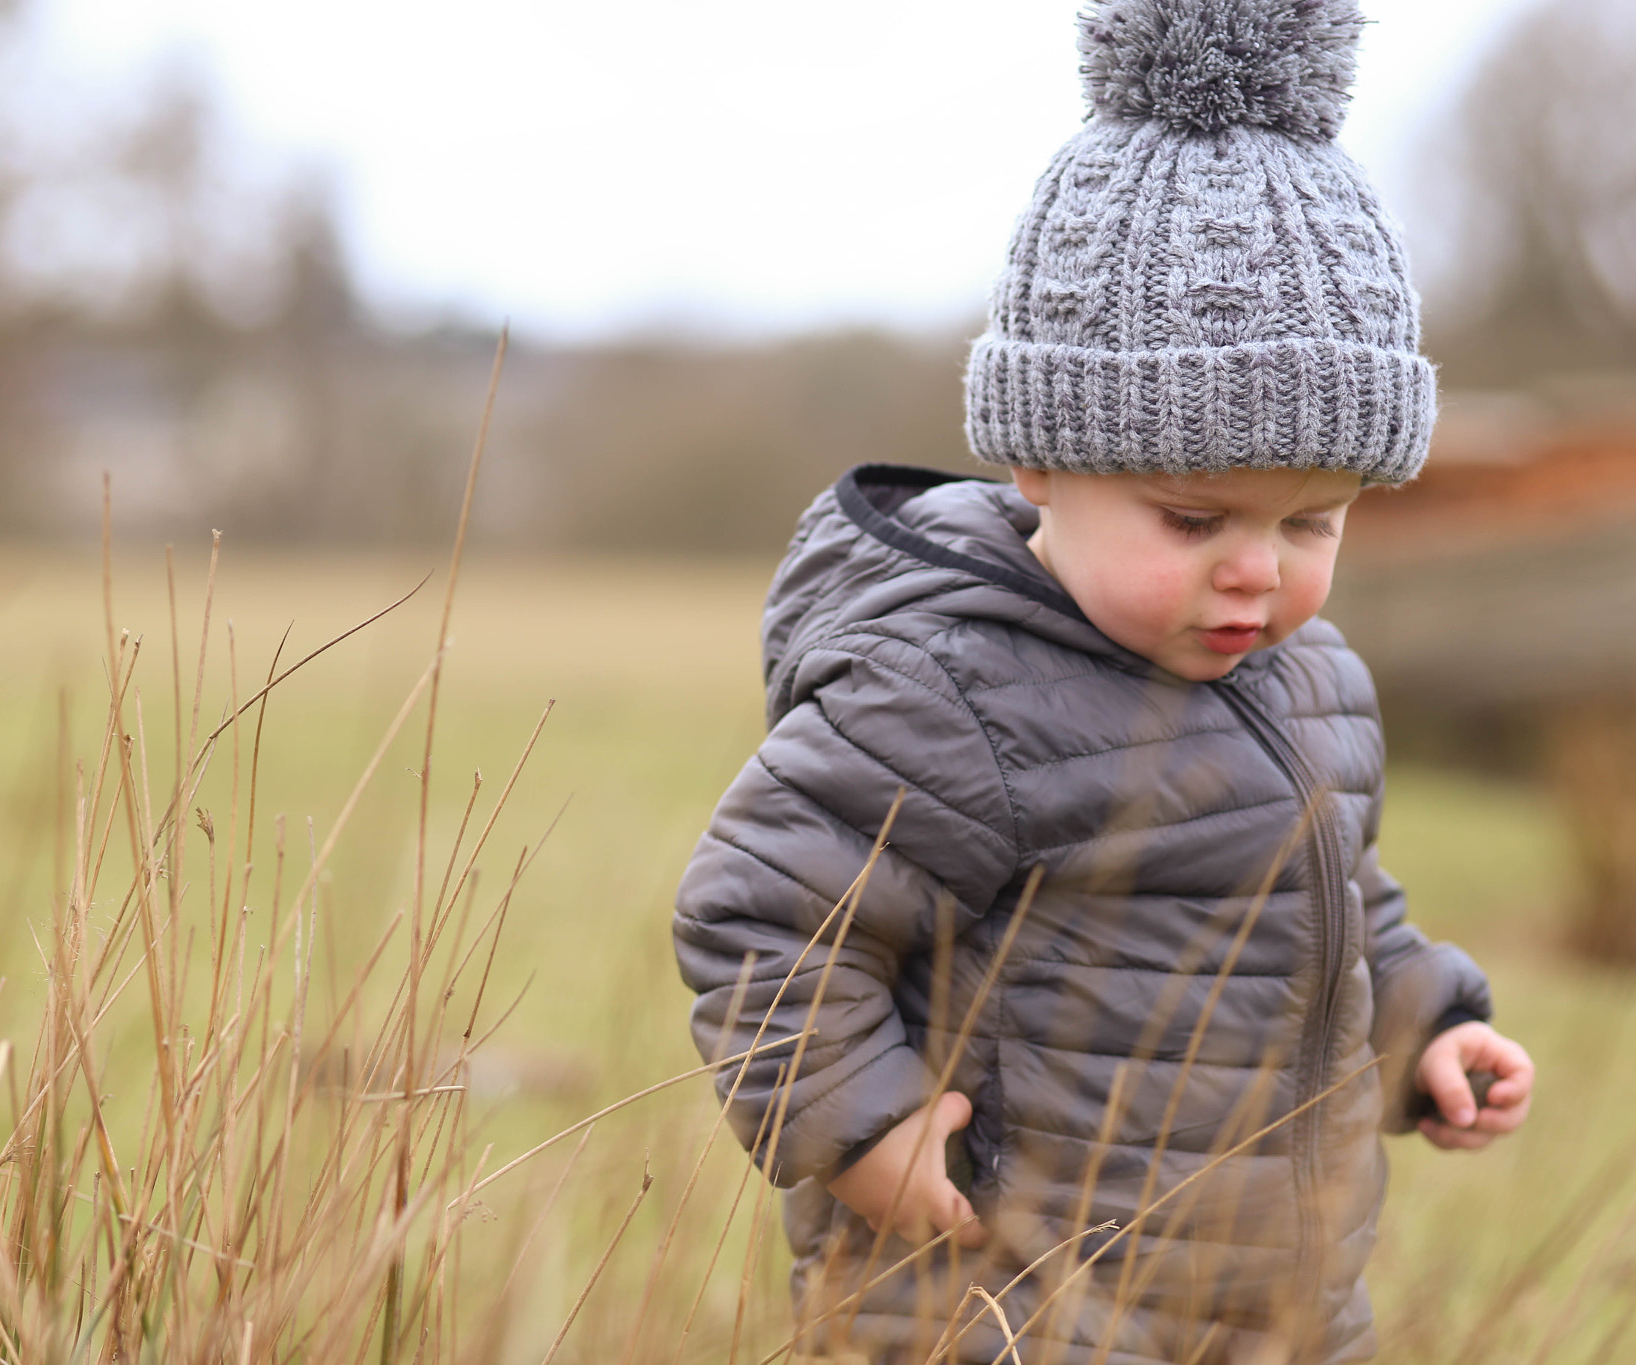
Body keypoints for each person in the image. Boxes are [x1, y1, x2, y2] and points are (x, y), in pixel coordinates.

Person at [671, 1, 1535, 1360]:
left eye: (1310, 523)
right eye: (1197, 521)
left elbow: (1327, 906)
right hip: (999, 1297)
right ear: (1040, 468)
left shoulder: (1313, 680)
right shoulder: (955, 687)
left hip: (1270, 1303)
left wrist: (1424, 1026)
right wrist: (860, 1126)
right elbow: (762, 912)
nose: (1256, 571)